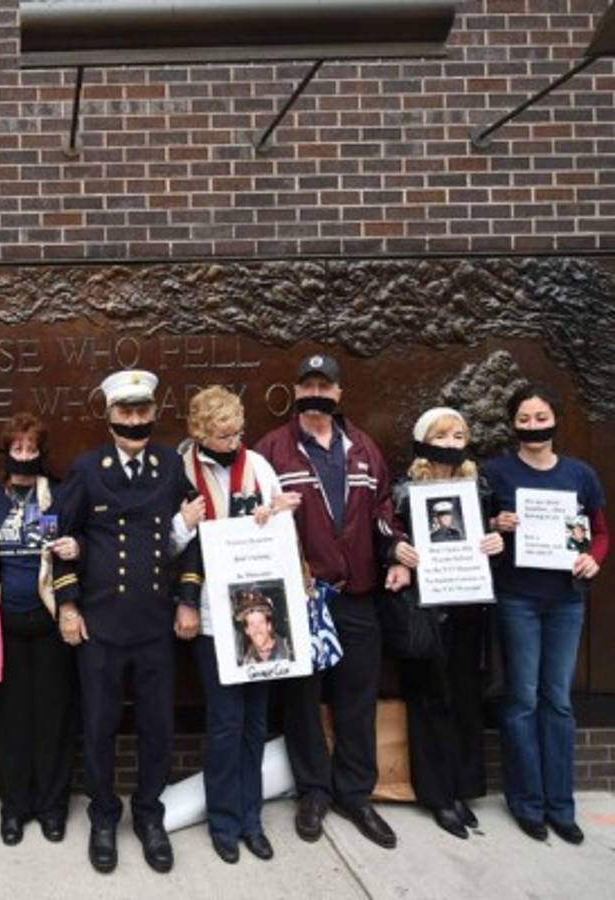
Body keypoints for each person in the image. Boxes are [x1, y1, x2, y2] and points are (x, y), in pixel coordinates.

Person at [254, 353, 411, 850]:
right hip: (302, 598)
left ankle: (354, 793)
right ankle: (314, 792)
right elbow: (250, 514)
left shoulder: (362, 448)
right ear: (296, 392)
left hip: (357, 596)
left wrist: (397, 552)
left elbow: (383, 510)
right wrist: (265, 512)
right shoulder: (271, 451)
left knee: (356, 699)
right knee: (302, 701)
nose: (316, 394)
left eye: (325, 386)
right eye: (308, 386)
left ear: (339, 393)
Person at [54, 369, 202, 875]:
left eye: (143, 411)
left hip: (155, 624)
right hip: (100, 626)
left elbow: (193, 535)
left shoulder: (169, 466)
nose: (135, 421)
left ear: (154, 413)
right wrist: (68, 606)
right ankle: (102, 817)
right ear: (109, 416)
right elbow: (60, 538)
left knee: (158, 728)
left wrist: (188, 600)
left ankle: (148, 815)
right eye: (126, 412)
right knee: (99, 727)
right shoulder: (87, 469)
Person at [171, 384, 295, 864]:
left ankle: (251, 819)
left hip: (257, 609)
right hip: (208, 614)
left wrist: (275, 515)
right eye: (223, 435)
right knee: (226, 722)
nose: (232, 442)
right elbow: (165, 547)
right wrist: (183, 523)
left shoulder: (257, 466)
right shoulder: (180, 471)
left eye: (237, 433)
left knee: (255, 721)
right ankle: (224, 821)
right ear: (200, 432)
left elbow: (284, 529)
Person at [483, 384, 607, 844]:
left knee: (558, 700)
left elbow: (599, 532)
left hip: (566, 601)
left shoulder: (580, 474)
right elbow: (477, 530)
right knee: (522, 700)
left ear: (555, 419)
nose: (533, 426)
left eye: (541, 417)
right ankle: (527, 803)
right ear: (512, 424)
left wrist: (594, 558)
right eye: (524, 419)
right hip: (517, 598)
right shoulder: (496, 473)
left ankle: (561, 806)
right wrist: (496, 523)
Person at [389, 407, 504, 839]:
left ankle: (462, 787)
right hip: (425, 611)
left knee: (465, 699)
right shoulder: (403, 491)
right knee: (430, 699)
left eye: (458, 436)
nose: (451, 444)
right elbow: (387, 536)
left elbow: (491, 538)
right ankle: (438, 795)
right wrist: (396, 551)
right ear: (423, 441)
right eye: (441, 436)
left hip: (468, 607)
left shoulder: (480, 488)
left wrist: (496, 541)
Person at [0, 412, 78, 846]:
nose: (25, 455)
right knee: (10, 723)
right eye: (17, 448)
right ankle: (14, 807)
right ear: (5, 451)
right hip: (4, 627)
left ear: (42, 453)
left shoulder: (59, 496)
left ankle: (52, 807)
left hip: (50, 625)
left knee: (54, 719)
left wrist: (76, 548)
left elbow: (77, 548)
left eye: (32, 449)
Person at [236, 593, 292, 665]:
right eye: (252, 624)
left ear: (269, 626)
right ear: (247, 630)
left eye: (261, 622)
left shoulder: (290, 651)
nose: (257, 629)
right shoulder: (245, 663)